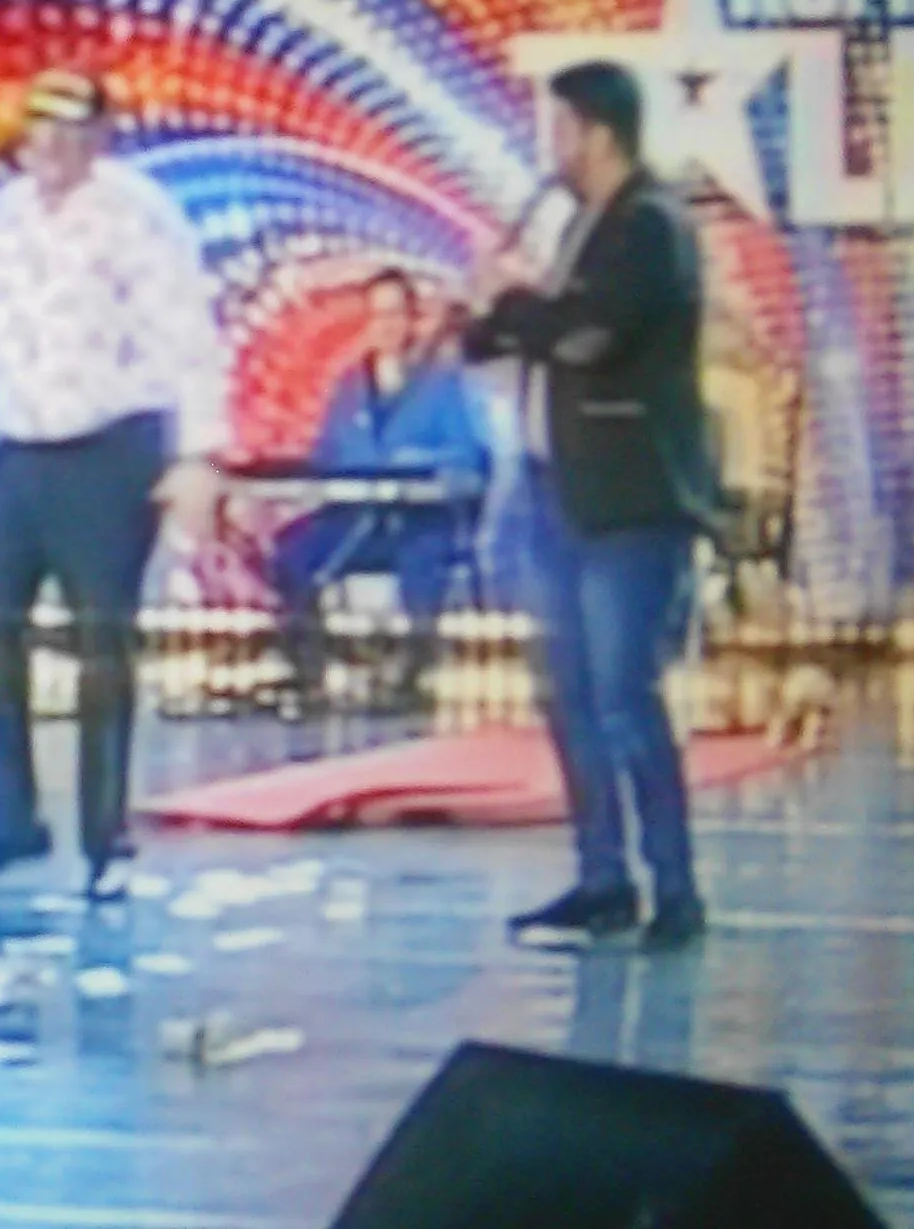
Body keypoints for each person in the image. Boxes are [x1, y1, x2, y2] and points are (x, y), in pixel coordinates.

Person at [0, 69, 230, 902]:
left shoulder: (140, 216)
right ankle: (12, 822)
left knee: (100, 644)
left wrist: (199, 454)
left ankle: (104, 836)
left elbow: (186, 335)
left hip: (111, 448)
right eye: (41, 132)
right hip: (22, 446)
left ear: (101, 138)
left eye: (72, 133)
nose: (53, 149)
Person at [465, 60, 721, 953]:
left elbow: (592, 335)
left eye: (562, 129)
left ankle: (675, 888)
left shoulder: (650, 225)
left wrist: (515, 301)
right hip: (560, 492)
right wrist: (495, 311)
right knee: (571, 696)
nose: (553, 148)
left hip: (628, 498)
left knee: (623, 697)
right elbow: (506, 337)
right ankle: (603, 878)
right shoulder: (582, 225)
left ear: (597, 132)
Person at [262, 269, 489, 714]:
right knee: (292, 553)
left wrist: (419, 468)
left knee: (424, 559)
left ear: (412, 319)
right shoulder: (349, 388)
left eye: (395, 313)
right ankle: (308, 673)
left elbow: (469, 462)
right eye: (377, 315)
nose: (386, 325)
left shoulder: (444, 385)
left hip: (419, 519)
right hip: (354, 518)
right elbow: (326, 457)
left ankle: (411, 677)